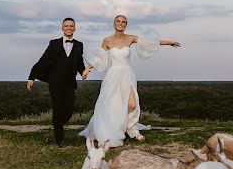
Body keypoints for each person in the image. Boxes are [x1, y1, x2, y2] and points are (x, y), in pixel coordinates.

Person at [79, 14, 180, 147]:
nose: (121, 23)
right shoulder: (107, 40)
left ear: (126, 25)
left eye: (124, 22)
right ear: (114, 23)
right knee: (111, 104)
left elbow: (148, 42)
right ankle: (112, 128)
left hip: (127, 74)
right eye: (118, 21)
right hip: (113, 75)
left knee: (132, 104)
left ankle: (132, 129)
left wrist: (168, 42)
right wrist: (88, 68)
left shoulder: (130, 38)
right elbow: (100, 58)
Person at [27, 18, 90, 147]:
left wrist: (83, 72)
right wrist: (31, 77)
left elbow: (79, 63)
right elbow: (43, 60)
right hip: (55, 82)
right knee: (57, 108)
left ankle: (58, 123)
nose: (68, 28)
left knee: (68, 112)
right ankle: (58, 140)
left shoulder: (79, 45)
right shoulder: (54, 43)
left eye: (71, 26)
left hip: (70, 83)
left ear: (74, 28)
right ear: (62, 28)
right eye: (66, 26)